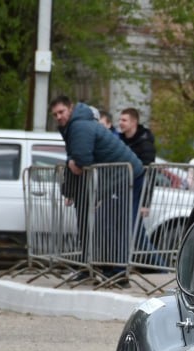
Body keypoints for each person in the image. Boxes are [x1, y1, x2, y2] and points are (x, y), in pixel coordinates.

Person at [50, 94, 144, 277]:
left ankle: (117, 272)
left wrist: (73, 163)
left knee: (111, 224)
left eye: (61, 112)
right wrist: (71, 185)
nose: (59, 117)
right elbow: (76, 158)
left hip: (124, 175)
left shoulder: (79, 126)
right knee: (99, 223)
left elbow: (82, 161)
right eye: (55, 115)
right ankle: (97, 268)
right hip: (114, 176)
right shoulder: (74, 125)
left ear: (70, 108)